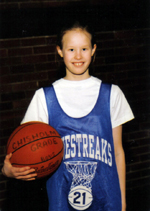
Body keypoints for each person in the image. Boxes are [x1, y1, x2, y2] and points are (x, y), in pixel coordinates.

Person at [2, 20, 134, 211]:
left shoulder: (112, 93)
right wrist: (8, 170)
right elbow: (25, 151)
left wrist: (122, 200)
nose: (78, 55)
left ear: (94, 49)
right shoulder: (44, 98)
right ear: (60, 51)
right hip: (61, 201)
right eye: (71, 49)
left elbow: (118, 151)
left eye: (84, 48)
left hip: (107, 200)